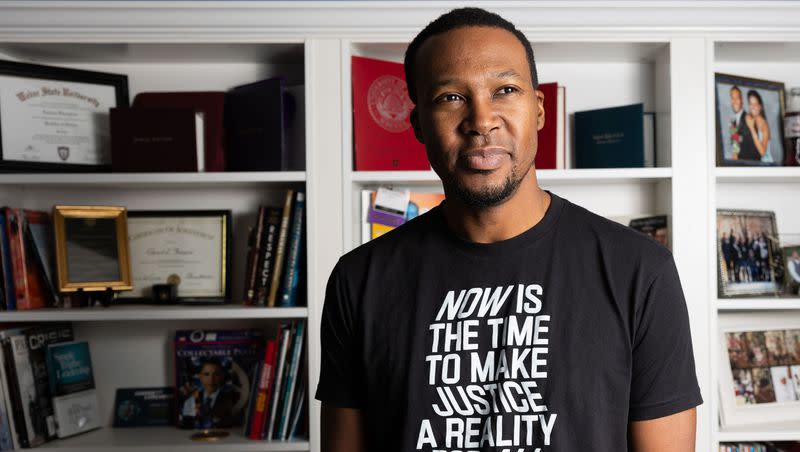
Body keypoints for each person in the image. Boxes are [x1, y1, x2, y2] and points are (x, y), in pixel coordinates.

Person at [316, 7, 702, 451]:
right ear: (419, 124)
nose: (481, 120)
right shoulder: (358, 279)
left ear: (538, 110)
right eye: (450, 97)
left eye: (504, 89)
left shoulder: (640, 271)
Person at [180, 358, 239, 428]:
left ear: (222, 376)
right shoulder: (191, 400)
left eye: (216, 374)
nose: (211, 379)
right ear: (200, 376)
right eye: (206, 374)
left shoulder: (231, 399)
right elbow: (187, 424)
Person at [729, 85, 760, 162]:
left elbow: (749, 144)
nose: (735, 101)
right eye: (733, 98)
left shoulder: (749, 118)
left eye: (737, 98)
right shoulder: (732, 121)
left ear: (742, 100)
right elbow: (734, 144)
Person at [745, 90, 774, 163]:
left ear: (760, 106)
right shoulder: (749, 118)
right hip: (755, 163)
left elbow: (762, 152)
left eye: (756, 104)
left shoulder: (764, 124)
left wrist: (751, 128)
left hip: (766, 164)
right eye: (751, 104)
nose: (753, 107)